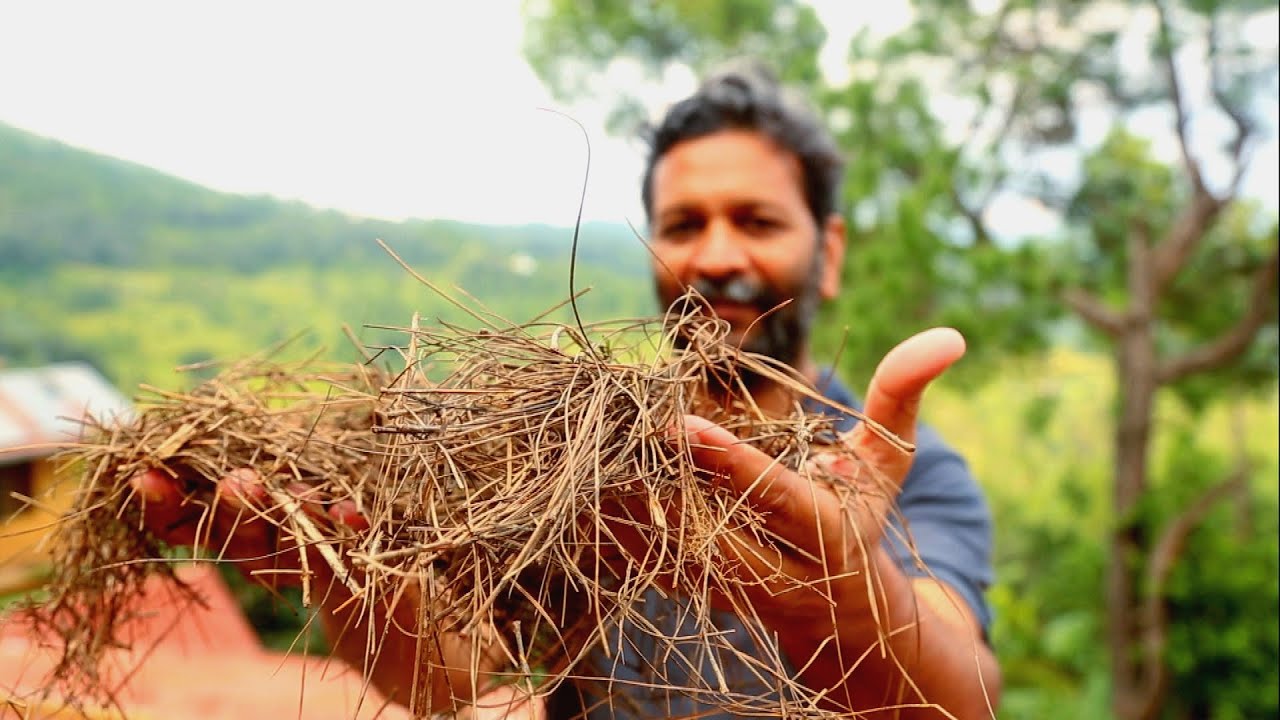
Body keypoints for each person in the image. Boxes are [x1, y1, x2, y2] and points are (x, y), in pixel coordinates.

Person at [131, 62, 1001, 719]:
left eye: (759, 220)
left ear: (831, 251)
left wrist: (851, 607)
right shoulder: (571, 455)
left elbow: (968, 695)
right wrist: (353, 587)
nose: (720, 256)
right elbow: (461, 675)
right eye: (684, 225)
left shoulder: (913, 480)